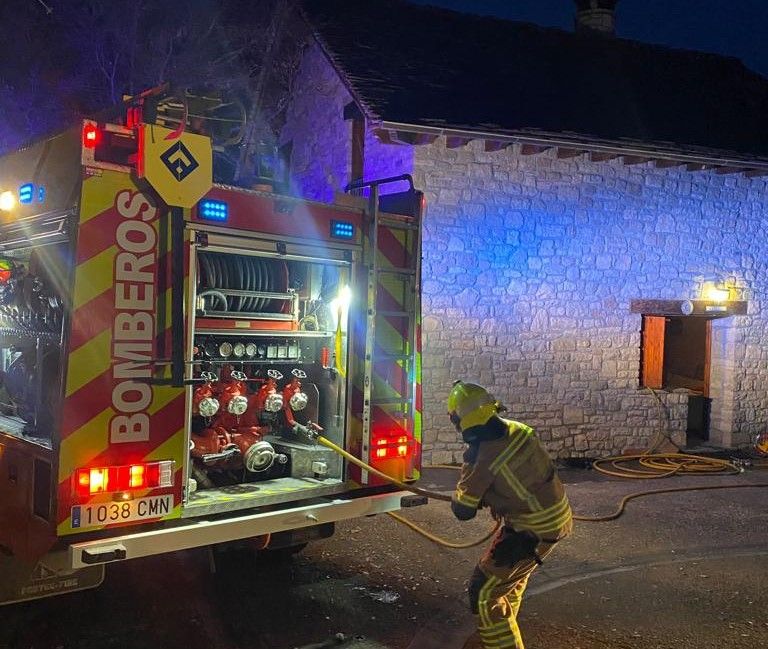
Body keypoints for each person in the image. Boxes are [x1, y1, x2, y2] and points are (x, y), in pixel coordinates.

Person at [447, 380, 573, 649]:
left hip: (531, 530)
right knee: (510, 583)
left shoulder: (481, 460)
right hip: (555, 517)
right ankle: (506, 635)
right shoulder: (520, 430)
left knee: (484, 592)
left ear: (461, 423)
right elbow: (519, 478)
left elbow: (463, 510)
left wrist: (467, 490)